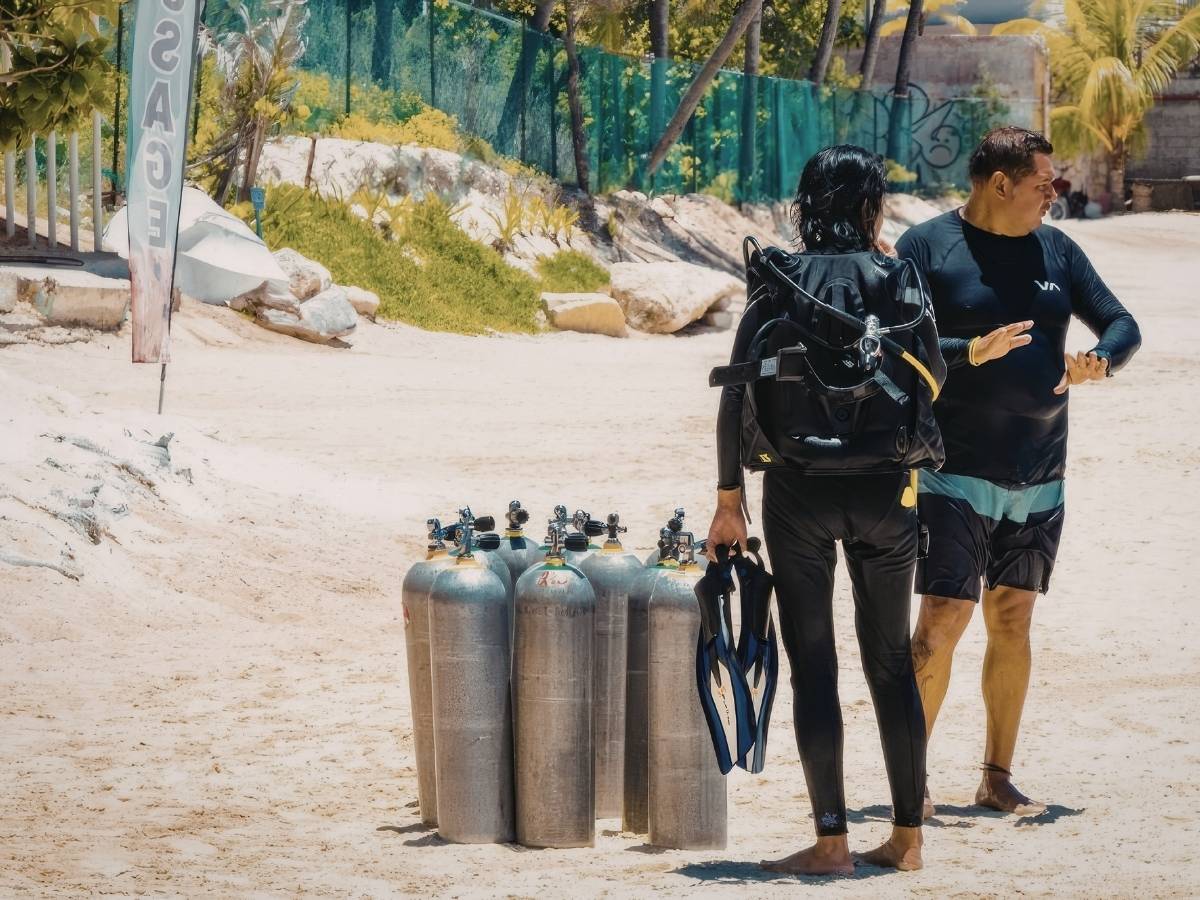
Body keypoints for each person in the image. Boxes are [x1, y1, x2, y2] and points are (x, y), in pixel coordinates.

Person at [707, 145, 947, 875]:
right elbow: (933, 373)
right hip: (886, 494)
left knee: (816, 664)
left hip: (797, 496)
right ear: (873, 206)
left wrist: (728, 502)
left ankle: (833, 842)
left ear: (807, 204)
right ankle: (907, 841)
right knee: (892, 666)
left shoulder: (779, 280)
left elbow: (734, 393)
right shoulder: (897, 276)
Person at [895, 127, 1141, 817]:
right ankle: (907, 776)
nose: (1052, 192)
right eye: (1043, 182)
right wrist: (966, 351)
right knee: (942, 620)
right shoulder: (928, 248)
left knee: (1012, 617)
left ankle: (995, 775)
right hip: (952, 469)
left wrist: (1102, 360)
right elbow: (895, 344)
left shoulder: (1057, 250)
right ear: (1000, 183)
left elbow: (1122, 323)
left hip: (1040, 469)